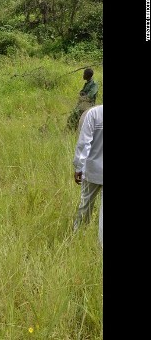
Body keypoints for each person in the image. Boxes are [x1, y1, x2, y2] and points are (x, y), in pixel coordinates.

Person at [72, 104, 103, 249]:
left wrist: (79, 167)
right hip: (92, 172)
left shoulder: (94, 114)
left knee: (85, 205)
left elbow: (84, 143)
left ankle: (76, 237)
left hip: (92, 171)